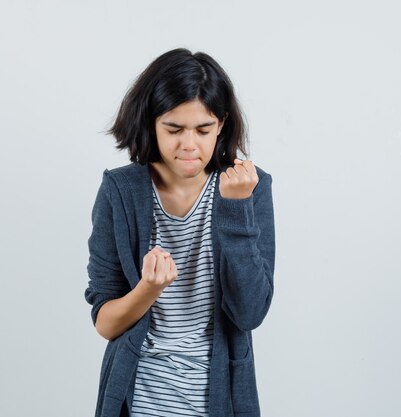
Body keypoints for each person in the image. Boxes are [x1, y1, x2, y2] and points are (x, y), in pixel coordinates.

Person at [84, 48, 276, 417]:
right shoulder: (121, 192)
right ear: (151, 123)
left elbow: (249, 314)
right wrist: (149, 289)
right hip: (138, 399)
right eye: (173, 129)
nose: (189, 144)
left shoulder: (251, 187)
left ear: (221, 124)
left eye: (203, 130)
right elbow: (106, 323)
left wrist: (236, 210)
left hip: (221, 398)